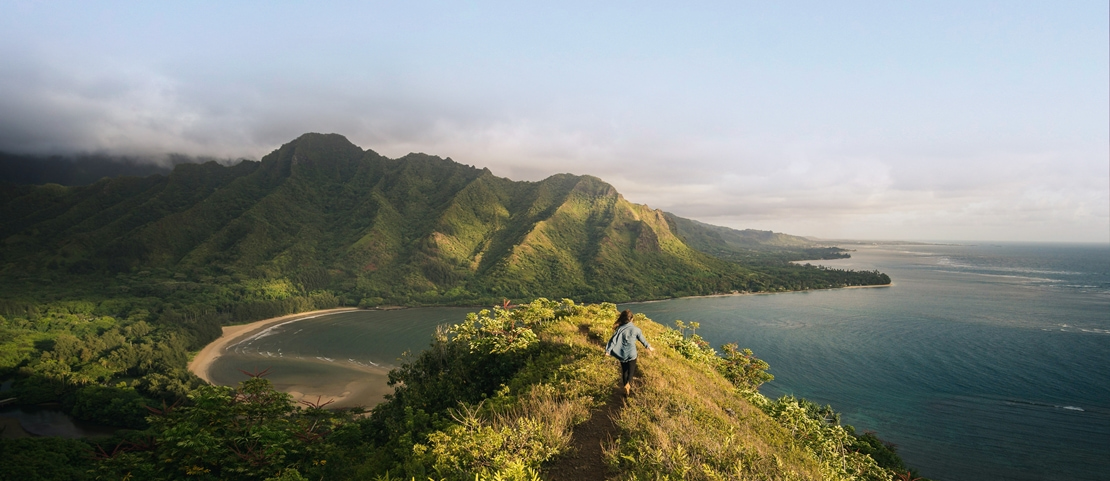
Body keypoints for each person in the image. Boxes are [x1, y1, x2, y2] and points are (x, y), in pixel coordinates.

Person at [605, 309, 654, 396]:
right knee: (631, 373)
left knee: (624, 371)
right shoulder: (636, 329)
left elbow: (613, 341)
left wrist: (608, 351)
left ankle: (625, 390)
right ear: (632, 319)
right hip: (632, 354)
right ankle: (628, 386)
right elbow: (642, 340)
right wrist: (648, 347)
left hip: (622, 355)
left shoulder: (619, 329)